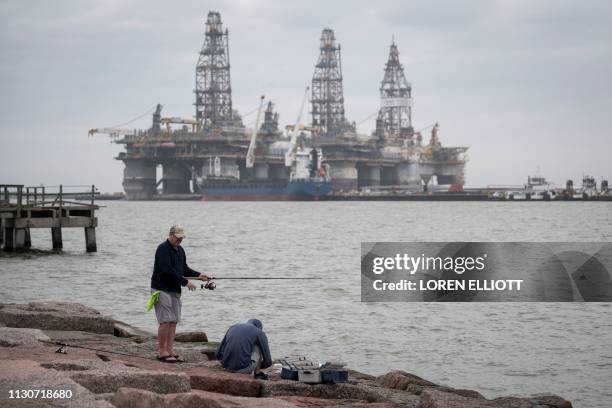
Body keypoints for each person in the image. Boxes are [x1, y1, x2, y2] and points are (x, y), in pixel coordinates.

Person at [151, 225, 208, 363]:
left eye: (182, 237)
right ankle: (161, 351)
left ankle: (170, 350)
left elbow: (184, 269)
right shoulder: (162, 249)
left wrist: (199, 275)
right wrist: (185, 282)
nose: (180, 240)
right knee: (165, 320)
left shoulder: (180, 250)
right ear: (170, 235)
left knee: (174, 320)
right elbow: (167, 270)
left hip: (175, 290)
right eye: (178, 237)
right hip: (161, 289)